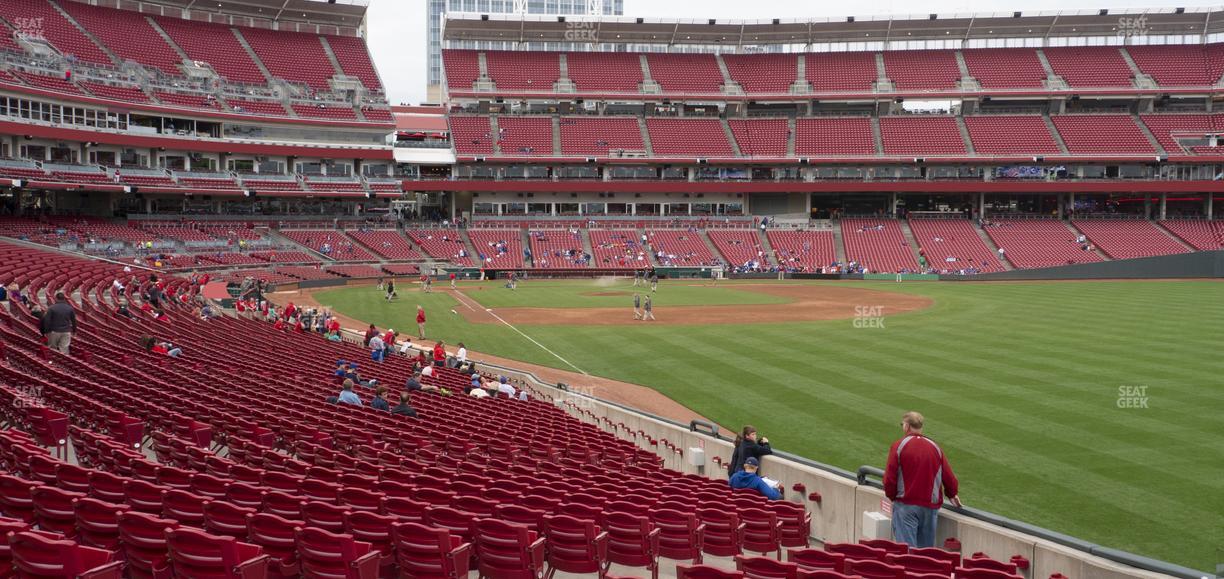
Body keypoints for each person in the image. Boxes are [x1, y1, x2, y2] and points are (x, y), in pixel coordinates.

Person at [883, 411, 960, 549]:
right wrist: (952, 494)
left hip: (906, 505)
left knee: (907, 553)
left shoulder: (899, 446)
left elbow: (889, 478)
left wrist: (891, 496)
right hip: (929, 508)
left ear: (906, 426)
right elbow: (948, 476)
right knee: (925, 555)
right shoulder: (935, 447)